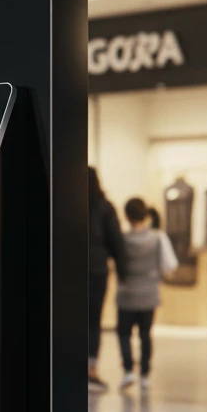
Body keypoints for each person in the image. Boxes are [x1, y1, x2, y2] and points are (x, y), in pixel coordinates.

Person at [115, 197, 178, 395]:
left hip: (126, 293)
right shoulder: (158, 237)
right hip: (149, 293)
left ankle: (128, 370)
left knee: (124, 333)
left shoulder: (122, 239)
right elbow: (169, 265)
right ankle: (144, 374)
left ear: (127, 216)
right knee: (145, 334)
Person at [88, 167, 127, 393]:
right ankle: (90, 370)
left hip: (68, 271)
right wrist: (123, 272)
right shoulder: (104, 206)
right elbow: (116, 242)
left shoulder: (64, 202)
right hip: (96, 270)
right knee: (93, 320)